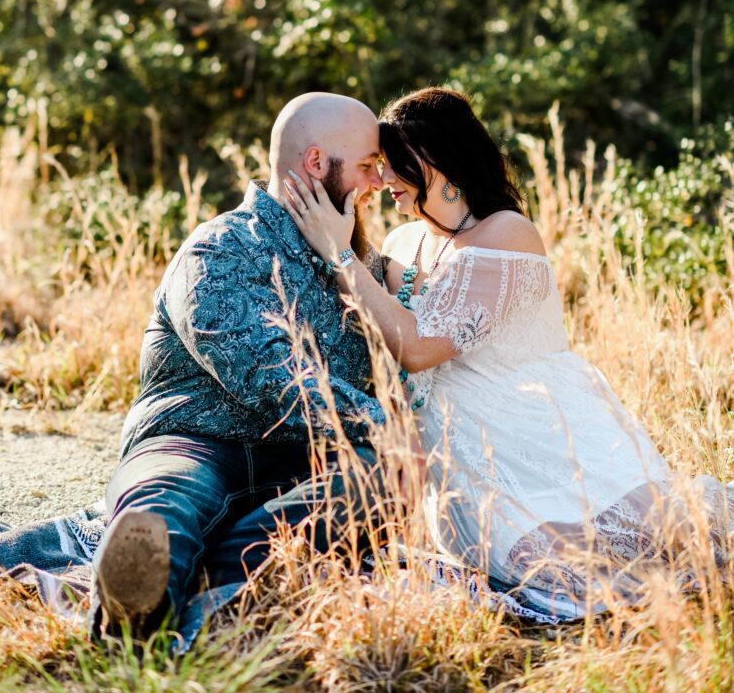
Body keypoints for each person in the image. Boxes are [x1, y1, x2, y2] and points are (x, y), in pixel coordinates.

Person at [284, 86, 732, 618]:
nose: (384, 182)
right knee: (531, 567)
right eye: (378, 166)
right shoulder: (406, 242)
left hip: (538, 441)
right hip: (463, 470)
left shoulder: (508, 234)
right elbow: (379, 302)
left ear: (437, 161)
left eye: (397, 165)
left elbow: (419, 348)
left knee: (646, 552)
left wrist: (337, 253)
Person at [91, 92, 390, 638]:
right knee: (167, 502)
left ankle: (210, 584)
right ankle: (134, 609)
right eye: (369, 166)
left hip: (303, 460)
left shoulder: (354, 262)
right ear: (316, 164)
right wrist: (388, 427)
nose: (378, 183)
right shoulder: (220, 249)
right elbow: (271, 379)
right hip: (194, 441)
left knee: (378, 476)